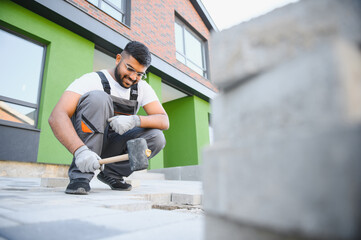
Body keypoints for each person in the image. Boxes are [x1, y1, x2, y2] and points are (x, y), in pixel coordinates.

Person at [49, 41, 169, 195]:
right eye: (130, 69)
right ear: (118, 59)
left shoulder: (142, 88)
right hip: (88, 144)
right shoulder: (92, 80)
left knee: (157, 137)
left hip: (114, 145)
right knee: (98, 98)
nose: (133, 77)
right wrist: (79, 151)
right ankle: (81, 176)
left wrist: (135, 120)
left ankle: (112, 173)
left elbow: (164, 120)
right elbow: (57, 116)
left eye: (139, 74)